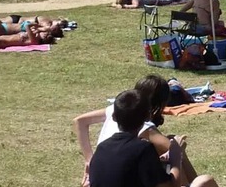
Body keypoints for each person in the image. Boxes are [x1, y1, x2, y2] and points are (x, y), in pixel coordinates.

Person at [74, 75, 209, 187]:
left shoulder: (102, 148)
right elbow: (171, 183)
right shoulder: (143, 148)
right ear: (147, 116)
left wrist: (89, 161)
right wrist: (176, 159)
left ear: (114, 116)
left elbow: (79, 121)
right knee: (204, 181)